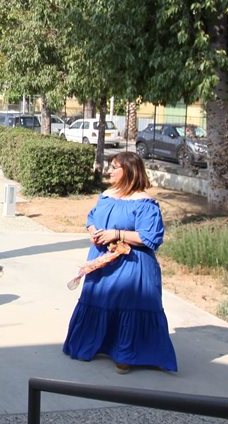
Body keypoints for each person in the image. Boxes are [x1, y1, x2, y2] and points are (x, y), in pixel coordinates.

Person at [62, 151, 178, 374]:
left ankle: (126, 354)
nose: (110, 171)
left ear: (129, 171)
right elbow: (92, 218)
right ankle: (94, 344)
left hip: (132, 263)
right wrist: (94, 231)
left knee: (128, 305)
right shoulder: (107, 195)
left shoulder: (144, 202)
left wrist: (117, 234)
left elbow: (150, 237)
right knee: (99, 299)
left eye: (114, 167)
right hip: (102, 259)